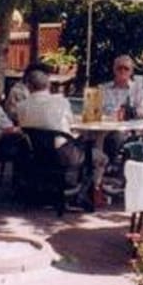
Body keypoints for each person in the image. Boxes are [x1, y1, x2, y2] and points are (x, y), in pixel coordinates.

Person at [14, 67, 104, 210]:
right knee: (100, 157)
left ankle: (57, 191)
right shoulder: (61, 103)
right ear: (48, 85)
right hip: (63, 154)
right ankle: (81, 195)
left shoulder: (21, 107)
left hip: (37, 155)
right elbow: (71, 123)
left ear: (29, 86)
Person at [100, 54, 143, 120]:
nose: (122, 70)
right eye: (119, 68)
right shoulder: (103, 89)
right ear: (114, 69)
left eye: (126, 68)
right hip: (107, 126)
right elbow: (97, 111)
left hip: (130, 127)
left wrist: (130, 113)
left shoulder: (137, 89)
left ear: (131, 71)